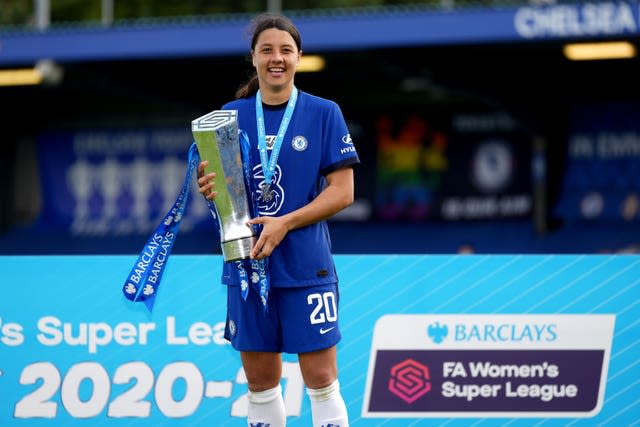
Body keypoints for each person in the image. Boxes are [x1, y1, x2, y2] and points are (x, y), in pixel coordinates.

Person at [197, 12, 359, 427]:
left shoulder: (324, 113)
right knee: (260, 384)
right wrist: (212, 190)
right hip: (249, 265)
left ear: (299, 58)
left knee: (322, 381)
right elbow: (225, 196)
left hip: (307, 266)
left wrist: (285, 221)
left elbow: (343, 192)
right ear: (253, 58)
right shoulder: (228, 116)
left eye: (285, 50)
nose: (276, 58)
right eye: (267, 49)